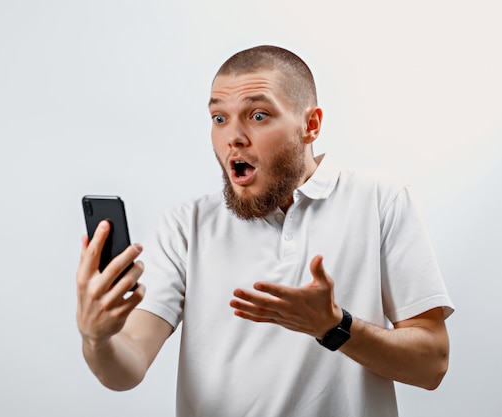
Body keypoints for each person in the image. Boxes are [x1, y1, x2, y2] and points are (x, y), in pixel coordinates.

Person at [76, 45, 454, 417]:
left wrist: (334, 327)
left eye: (257, 115)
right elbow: (127, 367)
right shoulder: (186, 225)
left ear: (310, 125)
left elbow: (431, 364)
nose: (233, 137)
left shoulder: (380, 200)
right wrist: (97, 338)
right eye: (219, 118)